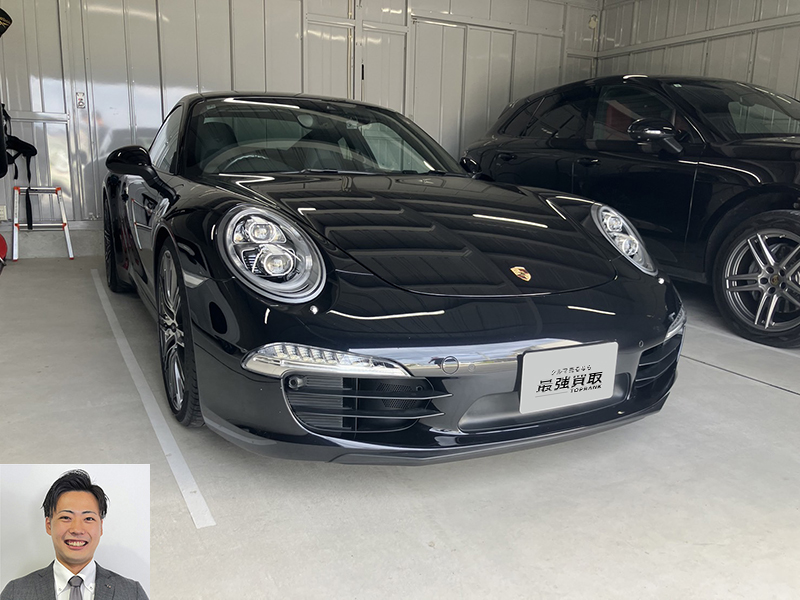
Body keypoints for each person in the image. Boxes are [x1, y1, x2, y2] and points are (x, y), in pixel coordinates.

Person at [0, 470, 148, 600]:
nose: (77, 529)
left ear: (101, 527)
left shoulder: (132, 593)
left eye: (88, 518)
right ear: (49, 525)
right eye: (66, 517)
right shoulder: (15, 593)